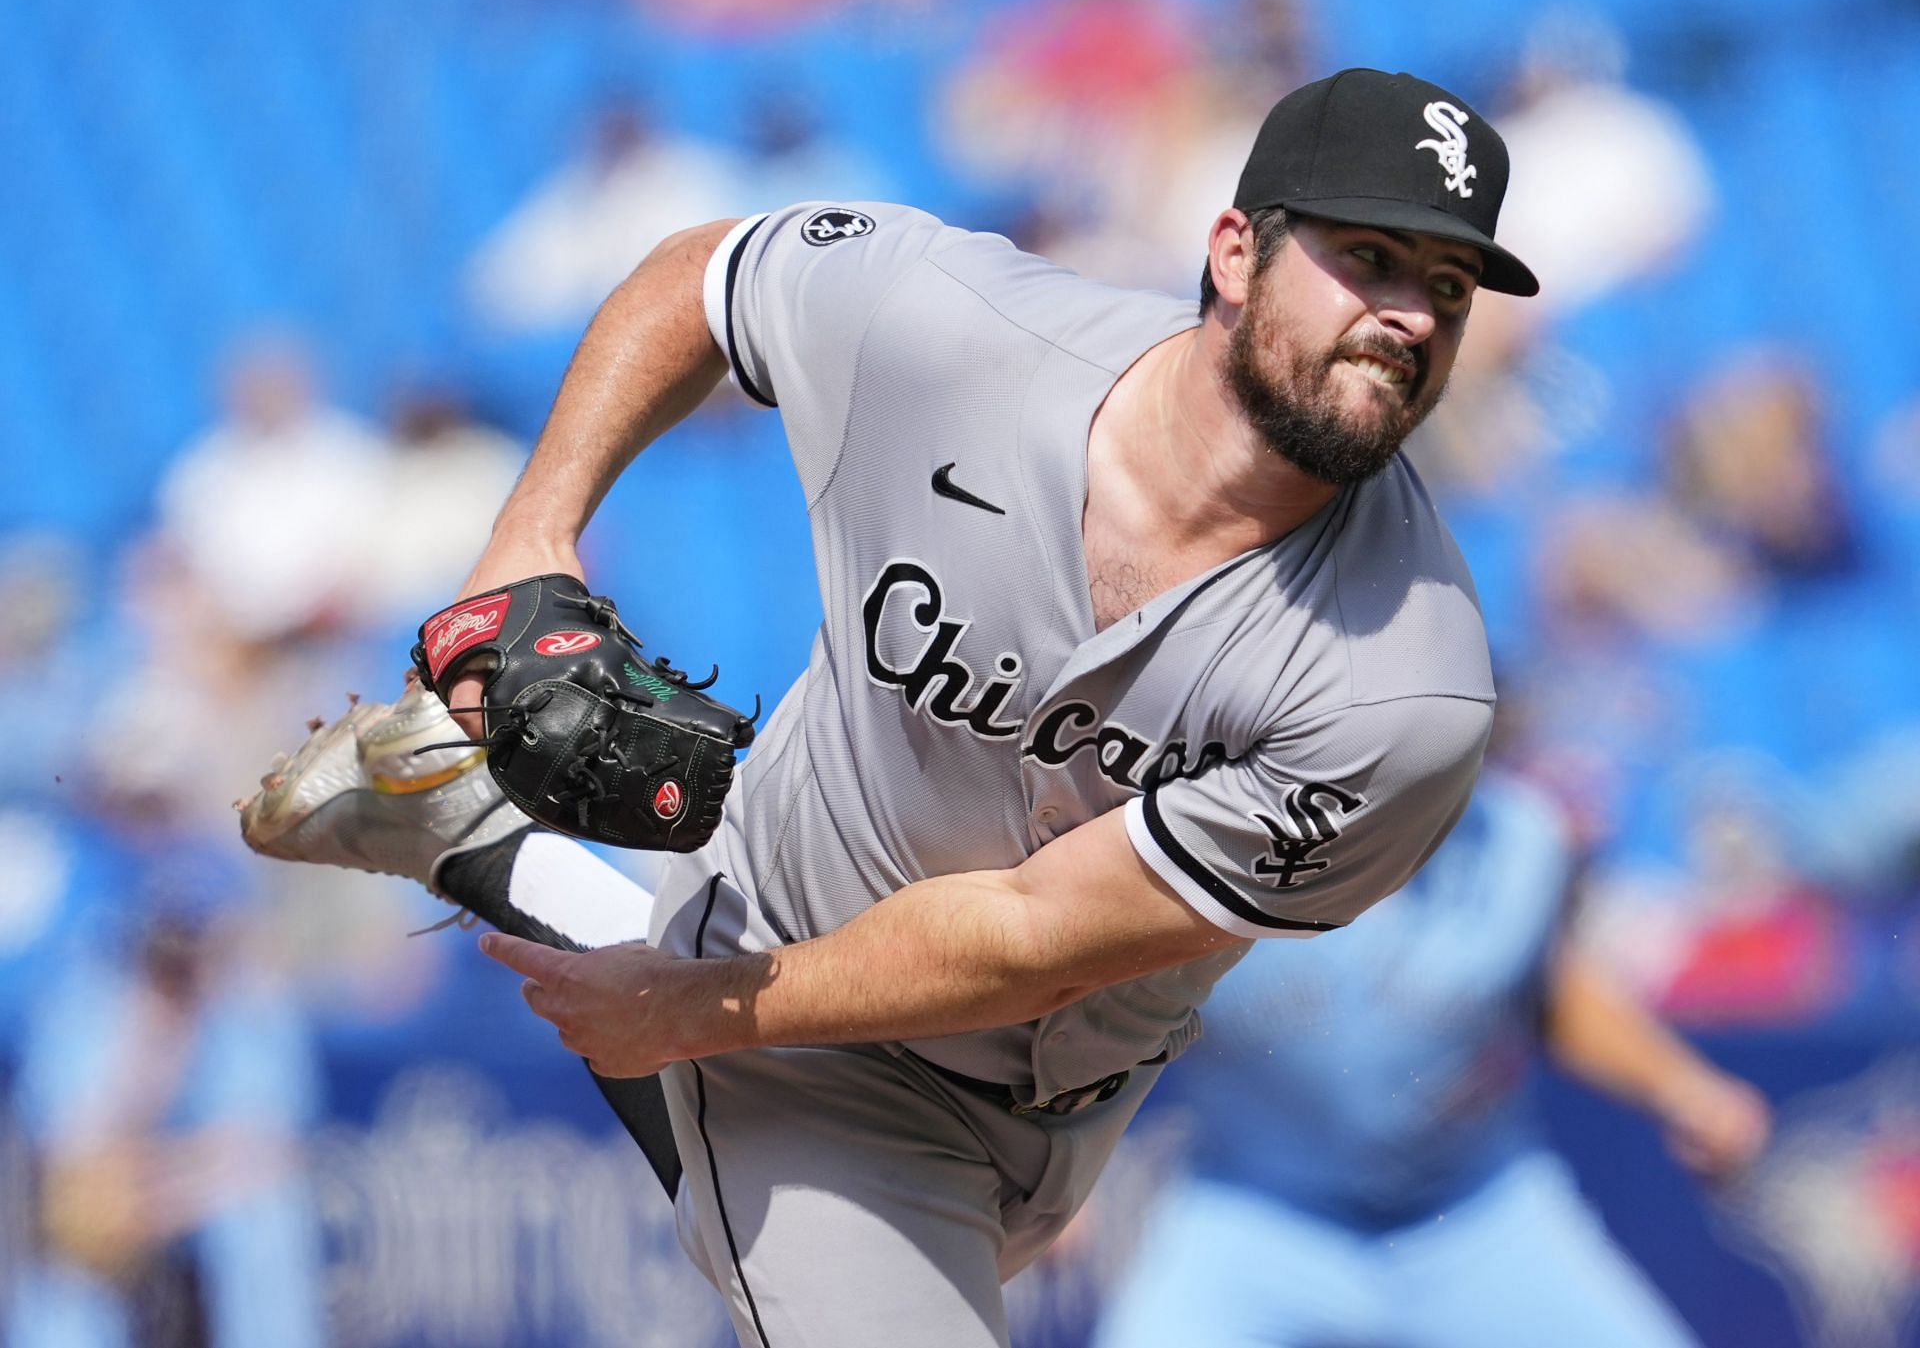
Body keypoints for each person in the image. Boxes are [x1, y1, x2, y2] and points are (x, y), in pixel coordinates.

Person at [243, 68, 1540, 1347]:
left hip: (1032, 1106)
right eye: (1368, 255)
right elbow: (705, 276)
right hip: (799, 1019)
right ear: (1237, 251)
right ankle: (502, 858)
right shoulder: (960, 332)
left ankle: (465, 828)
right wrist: (532, 532)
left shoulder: (1406, 683)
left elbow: (1037, 932)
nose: (1409, 315)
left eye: (1445, 287)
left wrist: (674, 1016)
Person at [1091, 773, 1771, 1348]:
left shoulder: (1515, 838)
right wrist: (1056, 1157)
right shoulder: (1204, 833)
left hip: (1477, 1213)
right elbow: (1097, 1000)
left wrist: (1682, 1084)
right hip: (1256, 1212)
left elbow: (1547, 988)